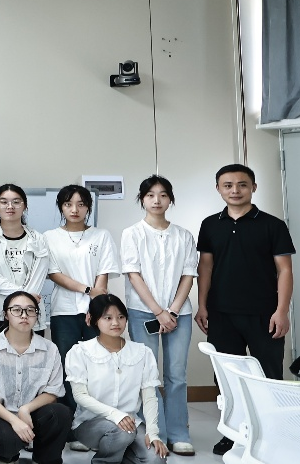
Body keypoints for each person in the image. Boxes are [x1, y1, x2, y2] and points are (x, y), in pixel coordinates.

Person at [196, 163, 295, 456]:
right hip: (221, 314)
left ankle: (272, 434)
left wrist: (282, 311)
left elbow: (285, 270)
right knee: (226, 378)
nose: (235, 190)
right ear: (218, 189)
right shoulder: (210, 224)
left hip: (265, 314)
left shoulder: (273, 225)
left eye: (242, 184)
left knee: (268, 376)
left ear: (253, 187)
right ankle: (233, 433)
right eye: (227, 185)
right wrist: (202, 305)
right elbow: (205, 267)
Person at [121, 175, 197, 457]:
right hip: (143, 312)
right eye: (151, 195)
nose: (157, 200)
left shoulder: (183, 235)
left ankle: (179, 434)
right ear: (142, 199)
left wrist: (172, 311)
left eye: (163, 195)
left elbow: (189, 275)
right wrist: (158, 311)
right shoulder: (132, 233)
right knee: (148, 375)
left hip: (180, 313)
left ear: (170, 199)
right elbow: (133, 275)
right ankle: (156, 433)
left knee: (177, 374)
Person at [43, 184, 119, 449]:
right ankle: (72, 426)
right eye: (68, 204)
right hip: (64, 310)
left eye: (81, 204)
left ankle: (94, 425)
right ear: (61, 207)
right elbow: (54, 273)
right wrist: (87, 290)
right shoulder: (50, 237)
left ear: (88, 207)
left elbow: (103, 272)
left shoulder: (101, 235)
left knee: (96, 366)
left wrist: (96, 306)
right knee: (68, 367)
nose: (74, 209)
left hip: (95, 312)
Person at [65, 295, 168, 464]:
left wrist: (153, 432)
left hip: (130, 424)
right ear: (94, 319)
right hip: (90, 424)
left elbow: (150, 397)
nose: (115, 323)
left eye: (120, 317)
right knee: (121, 433)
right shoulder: (80, 352)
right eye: (108, 318)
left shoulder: (142, 352)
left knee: (157, 459)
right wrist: (115, 415)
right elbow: (80, 396)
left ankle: (121, 455)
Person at [0, 291, 71, 464]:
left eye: (30, 310)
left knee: (60, 413)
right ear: (6, 314)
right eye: (17, 310)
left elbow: (53, 391)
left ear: (37, 315)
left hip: (33, 412)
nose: (24, 315)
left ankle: (45, 459)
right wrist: (14, 420)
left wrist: (25, 409)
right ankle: (4, 458)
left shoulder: (50, 349)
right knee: (6, 440)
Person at [0, 184, 50, 345]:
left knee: (33, 357)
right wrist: (26, 295)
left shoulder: (38, 238)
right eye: (4, 202)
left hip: (29, 314)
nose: (10, 206)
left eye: (16, 202)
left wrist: (25, 301)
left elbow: (40, 274)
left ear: (25, 206)